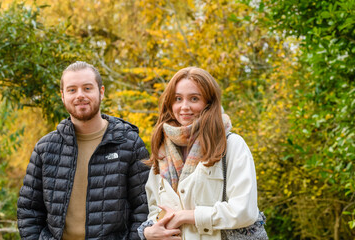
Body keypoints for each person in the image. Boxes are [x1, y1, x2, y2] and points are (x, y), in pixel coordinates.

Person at [17, 61, 150, 240]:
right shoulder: (46, 148)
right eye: (72, 90)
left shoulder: (129, 143)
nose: (80, 95)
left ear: (101, 92)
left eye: (87, 88)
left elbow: (144, 208)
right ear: (62, 96)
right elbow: (29, 210)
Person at [138, 67, 260, 240]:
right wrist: (148, 231)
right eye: (178, 99)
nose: (184, 107)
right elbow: (155, 210)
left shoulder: (232, 145)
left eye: (194, 98)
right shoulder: (163, 151)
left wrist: (187, 216)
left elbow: (244, 210)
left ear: (209, 103)